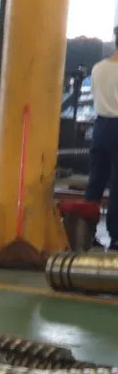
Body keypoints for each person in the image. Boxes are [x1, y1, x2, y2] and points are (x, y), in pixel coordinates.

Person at [73, 30, 118, 250]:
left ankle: (85, 233)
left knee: (96, 182)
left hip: (100, 128)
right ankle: (116, 236)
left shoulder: (98, 68)